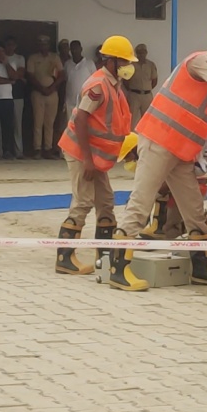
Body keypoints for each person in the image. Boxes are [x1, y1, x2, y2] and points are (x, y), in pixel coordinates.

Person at [109, 27, 207, 292]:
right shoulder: (201, 60)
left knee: (193, 209)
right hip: (159, 141)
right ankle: (118, 268)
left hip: (180, 151)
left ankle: (201, 268)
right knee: (141, 201)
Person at [54, 35, 136, 275]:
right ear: (110, 61)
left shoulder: (115, 85)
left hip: (97, 157)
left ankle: (105, 255)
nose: (127, 67)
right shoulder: (98, 86)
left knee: (106, 202)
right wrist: (88, 161)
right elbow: (80, 119)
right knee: (83, 201)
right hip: (82, 154)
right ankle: (64, 258)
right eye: (123, 62)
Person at [26, 35, 64, 159]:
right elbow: (30, 76)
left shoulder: (55, 57)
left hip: (52, 93)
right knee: (38, 121)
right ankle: (37, 149)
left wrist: (52, 88)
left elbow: (61, 75)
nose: (43, 46)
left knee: (50, 123)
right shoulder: (33, 58)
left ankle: (48, 149)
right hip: (38, 93)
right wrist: (42, 88)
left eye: (46, 44)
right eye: (41, 43)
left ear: (49, 45)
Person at [123, 43, 157, 129]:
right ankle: (129, 138)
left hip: (147, 96)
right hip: (134, 95)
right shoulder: (131, 65)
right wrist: (132, 89)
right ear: (136, 53)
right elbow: (125, 80)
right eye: (139, 52)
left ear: (146, 53)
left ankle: (145, 138)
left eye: (143, 52)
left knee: (148, 118)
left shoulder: (151, 65)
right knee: (131, 118)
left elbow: (154, 80)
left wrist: (146, 89)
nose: (141, 54)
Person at [4, 37, 26, 157]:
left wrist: (15, 75)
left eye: (12, 44)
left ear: (15, 46)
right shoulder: (0, 58)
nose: (10, 47)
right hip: (2, 95)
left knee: (17, 124)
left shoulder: (19, 58)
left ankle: (18, 151)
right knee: (5, 125)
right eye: (8, 44)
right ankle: (4, 150)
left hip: (17, 94)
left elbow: (18, 75)